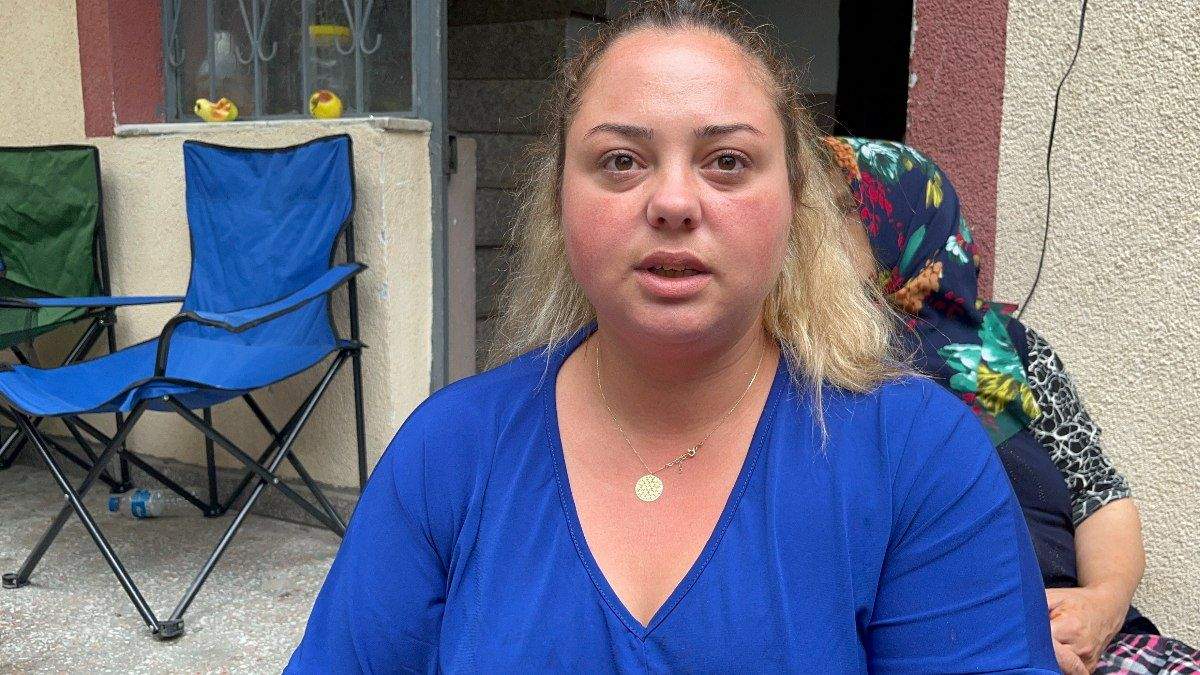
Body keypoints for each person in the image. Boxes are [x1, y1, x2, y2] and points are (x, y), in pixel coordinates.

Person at [285, 2, 1059, 671]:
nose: (674, 201)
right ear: (558, 201)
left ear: (795, 205)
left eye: (727, 161)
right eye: (622, 160)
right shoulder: (447, 452)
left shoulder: (918, 456)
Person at [827, 135, 1200, 675]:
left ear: (903, 219)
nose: (808, 226)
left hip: (1081, 635)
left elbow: (1098, 494)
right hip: (934, 639)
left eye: (840, 207)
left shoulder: (1011, 350)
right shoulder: (811, 366)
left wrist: (1100, 607)